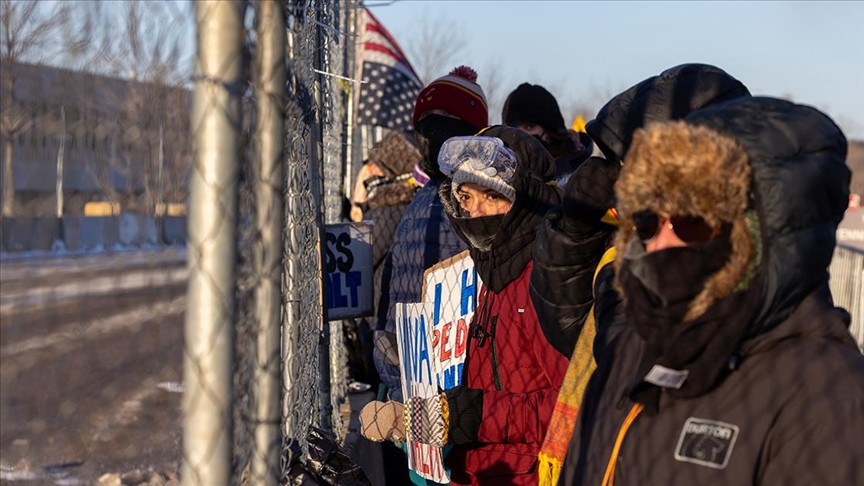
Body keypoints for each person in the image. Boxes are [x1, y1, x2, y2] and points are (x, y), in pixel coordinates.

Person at [559, 97, 864, 485]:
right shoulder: (633, 351)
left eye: (693, 222)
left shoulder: (827, 399)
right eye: (650, 218)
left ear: (758, 238)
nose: (658, 243)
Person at [530, 64, 752, 485]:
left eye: (629, 165)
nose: (622, 180)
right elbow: (567, 325)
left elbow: (637, 362)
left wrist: (626, 284)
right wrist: (575, 226)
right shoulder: (629, 246)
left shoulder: (726, 272)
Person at [361, 126, 569, 485]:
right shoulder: (484, 272)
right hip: (475, 470)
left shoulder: (544, 280)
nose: (475, 211)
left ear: (524, 197)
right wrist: (415, 405)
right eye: (466, 197)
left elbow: (567, 411)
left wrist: (458, 414)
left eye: (492, 195)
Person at [373, 65, 488, 403]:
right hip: (405, 369)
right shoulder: (423, 195)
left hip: (454, 377)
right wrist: (386, 348)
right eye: (428, 117)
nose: (434, 125)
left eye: (447, 116)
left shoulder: (475, 194)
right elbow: (395, 278)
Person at [502, 83, 593, 184]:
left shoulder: (583, 178)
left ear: (551, 132)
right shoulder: (501, 175)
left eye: (529, 127)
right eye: (512, 129)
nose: (518, 135)